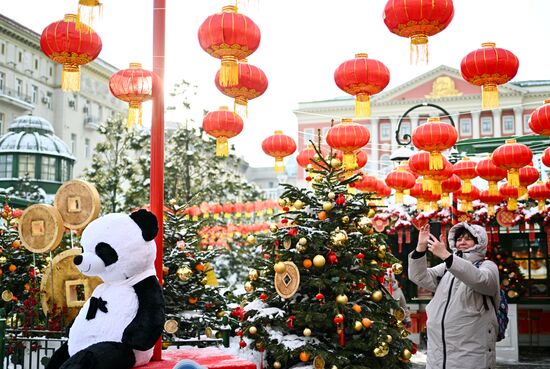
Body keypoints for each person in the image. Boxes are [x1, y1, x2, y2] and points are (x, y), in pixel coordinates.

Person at [408, 222, 500, 369]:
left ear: (479, 243)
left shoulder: (487, 266)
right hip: (438, 351)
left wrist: (446, 255)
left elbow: (480, 280)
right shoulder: (446, 268)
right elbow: (419, 277)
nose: (462, 242)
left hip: (470, 351)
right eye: (459, 239)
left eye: (468, 239)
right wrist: (420, 248)